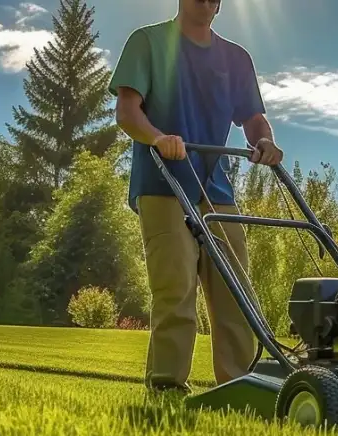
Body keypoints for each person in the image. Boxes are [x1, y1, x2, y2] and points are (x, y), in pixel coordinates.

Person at [108, 0, 284, 396]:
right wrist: (157, 138)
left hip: (215, 186)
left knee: (235, 290)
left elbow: (253, 118)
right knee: (176, 287)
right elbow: (126, 111)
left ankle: (239, 387)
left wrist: (266, 142)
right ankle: (167, 387)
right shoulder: (148, 42)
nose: (204, 2)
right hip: (163, 181)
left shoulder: (236, 58)